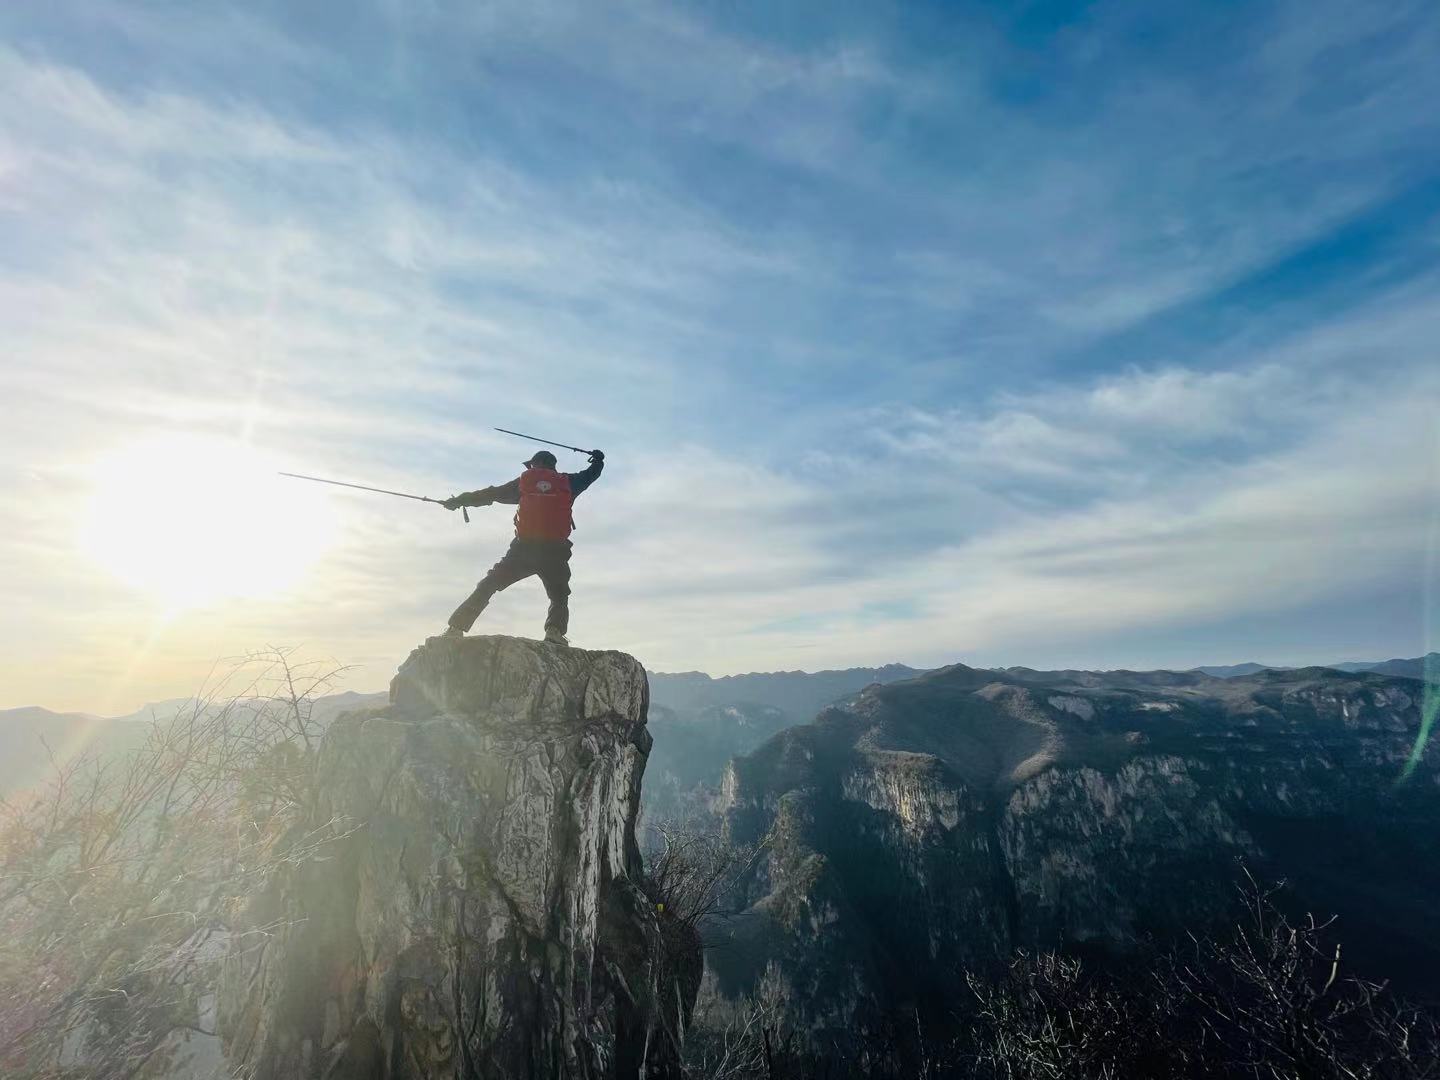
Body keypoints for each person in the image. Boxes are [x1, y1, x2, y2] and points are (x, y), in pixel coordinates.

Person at [439, 448, 604, 646]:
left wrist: (459, 500)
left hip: (523, 549)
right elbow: (592, 474)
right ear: (553, 465)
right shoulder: (568, 483)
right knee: (559, 595)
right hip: (555, 551)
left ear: (534, 465)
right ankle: (554, 631)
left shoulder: (524, 483)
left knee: (489, 585)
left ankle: (455, 628)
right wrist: (598, 460)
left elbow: (491, 494)